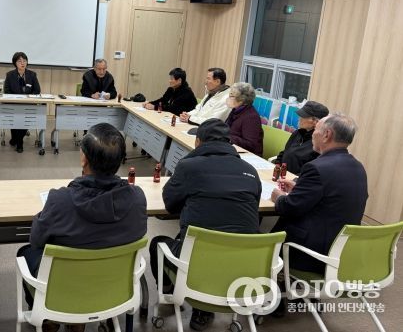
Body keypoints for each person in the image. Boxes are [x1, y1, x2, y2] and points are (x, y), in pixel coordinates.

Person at [17, 123, 147, 327]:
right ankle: (78, 324)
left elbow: (36, 240)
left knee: (25, 253)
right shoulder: (137, 198)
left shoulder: (60, 201)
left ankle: (49, 320)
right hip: (112, 290)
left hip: (64, 290)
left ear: (84, 158)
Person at [150, 118, 261, 330]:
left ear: (198, 142)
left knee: (158, 243)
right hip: (241, 265)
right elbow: (253, 208)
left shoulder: (188, 166)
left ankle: (172, 292)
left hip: (196, 262)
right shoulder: (250, 170)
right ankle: (203, 309)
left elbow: (170, 203)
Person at [271, 113, 368, 274]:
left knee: (261, 236)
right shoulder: (358, 167)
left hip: (310, 253)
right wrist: (299, 189)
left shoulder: (316, 167)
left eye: (316, 130)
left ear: (326, 135)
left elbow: (289, 208)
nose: (313, 135)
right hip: (341, 249)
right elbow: (331, 198)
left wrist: (279, 197)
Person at [274, 100, 329, 174]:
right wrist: (277, 165)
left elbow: (312, 171)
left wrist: (293, 178)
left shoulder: (319, 143)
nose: (299, 118)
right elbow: (284, 152)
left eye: (303, 116)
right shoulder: (297, 133)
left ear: (315, 122)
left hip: (297, 179)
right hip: (282, 174)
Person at [4, 52, 41, 153]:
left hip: (28, 105)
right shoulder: (10, 75)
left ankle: (17, 140)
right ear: (15, 63)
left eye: (24, 60)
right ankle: (18, 141)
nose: (22, 63)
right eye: (19, 61)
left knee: (24, 118)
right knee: (15, 117)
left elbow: (37, 90)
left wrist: (28, 97)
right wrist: (16, 98)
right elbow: (6, 91)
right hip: (14, 104)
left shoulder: (32, 75)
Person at [225, 82, 263, 156]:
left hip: (248, 156)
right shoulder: (236, 110)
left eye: (232, 96)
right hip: (232, 150)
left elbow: (250, 144)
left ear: (242, 99)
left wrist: (228, 137)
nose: (228, 98)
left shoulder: (251, 117)